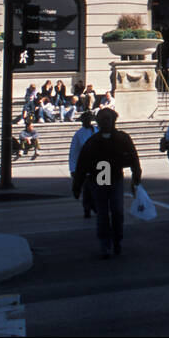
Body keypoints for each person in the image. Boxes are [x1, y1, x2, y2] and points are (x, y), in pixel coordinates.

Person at [73, 108, 143, 259]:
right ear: (98, 122)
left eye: (108, 119)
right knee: (103, 213)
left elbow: (133, 158)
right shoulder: (92, 141)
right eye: (102, 119)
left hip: (116, 178)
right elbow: (82, 164)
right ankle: (105, 244)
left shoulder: (123, 138)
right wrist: (77, 186)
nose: (105, 122)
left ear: (113, 121)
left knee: (117, 210)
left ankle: (117, 239)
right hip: (100, 178)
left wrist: (136, 177)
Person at [69, 113, 99, 217]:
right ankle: (87, 208)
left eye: (89, 118)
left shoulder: (97, 130)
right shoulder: (78, 134)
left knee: (101, 187)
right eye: (85, 119)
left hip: (99, 165)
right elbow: (74, 152)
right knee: (87, 189)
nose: (87, 121)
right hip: (85, 166)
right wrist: (73, 169)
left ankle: (97, 206)